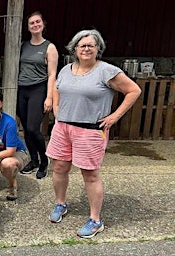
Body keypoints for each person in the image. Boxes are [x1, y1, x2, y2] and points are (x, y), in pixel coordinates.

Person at [47, 29, 141, 238]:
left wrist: (115, 116)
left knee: (90, 174)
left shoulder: (106, 70)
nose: (87, 48)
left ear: (98, 48)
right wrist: (57, 111)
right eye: (82, 45)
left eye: (91, 45)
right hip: (63, 127)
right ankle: (60, 204)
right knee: (59, 167)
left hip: (89, 130)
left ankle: (95, 220)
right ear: (75, 49)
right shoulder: (66, 70)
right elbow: (56, 88)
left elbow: (134, 90)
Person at [17, 11, 59, 179]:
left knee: (34, 128)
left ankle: (43, 161)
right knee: (26, 129)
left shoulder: (49, 47)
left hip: (38, 89)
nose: (35, 25)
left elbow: (52, 75)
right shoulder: (23, 45)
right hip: (22, 89)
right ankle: (33, 160)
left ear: (43, 24)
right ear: (28, 27)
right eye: (31, 23)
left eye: (37, 22)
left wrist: (49, 97)